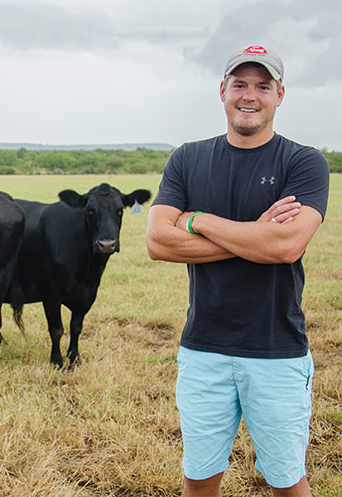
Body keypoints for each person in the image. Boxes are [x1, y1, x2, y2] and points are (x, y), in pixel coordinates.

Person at [146, 45, 330, 496]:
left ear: (280, 95)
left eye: (262, 86)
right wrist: (254, 237)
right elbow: (157, 241)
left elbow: (286, 245)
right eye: (240, 84)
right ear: (222, 91)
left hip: (276, 350)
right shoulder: (188, 158)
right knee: (199, 480)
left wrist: (197, 219)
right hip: (203, 349)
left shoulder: (303, 162)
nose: (250, 96)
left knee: (287, 482)